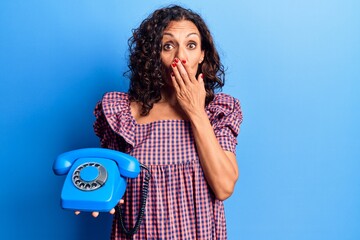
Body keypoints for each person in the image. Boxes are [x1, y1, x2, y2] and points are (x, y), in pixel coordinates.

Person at [93, 5, 243, 239]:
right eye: (168, 46)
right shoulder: (123, 113)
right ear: (154, 55)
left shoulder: (218, 112)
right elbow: (111, 181)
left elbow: (224, 187)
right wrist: (94, 197)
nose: (180, 57)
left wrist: (195, 111)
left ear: (202, 54)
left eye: (191, 45)